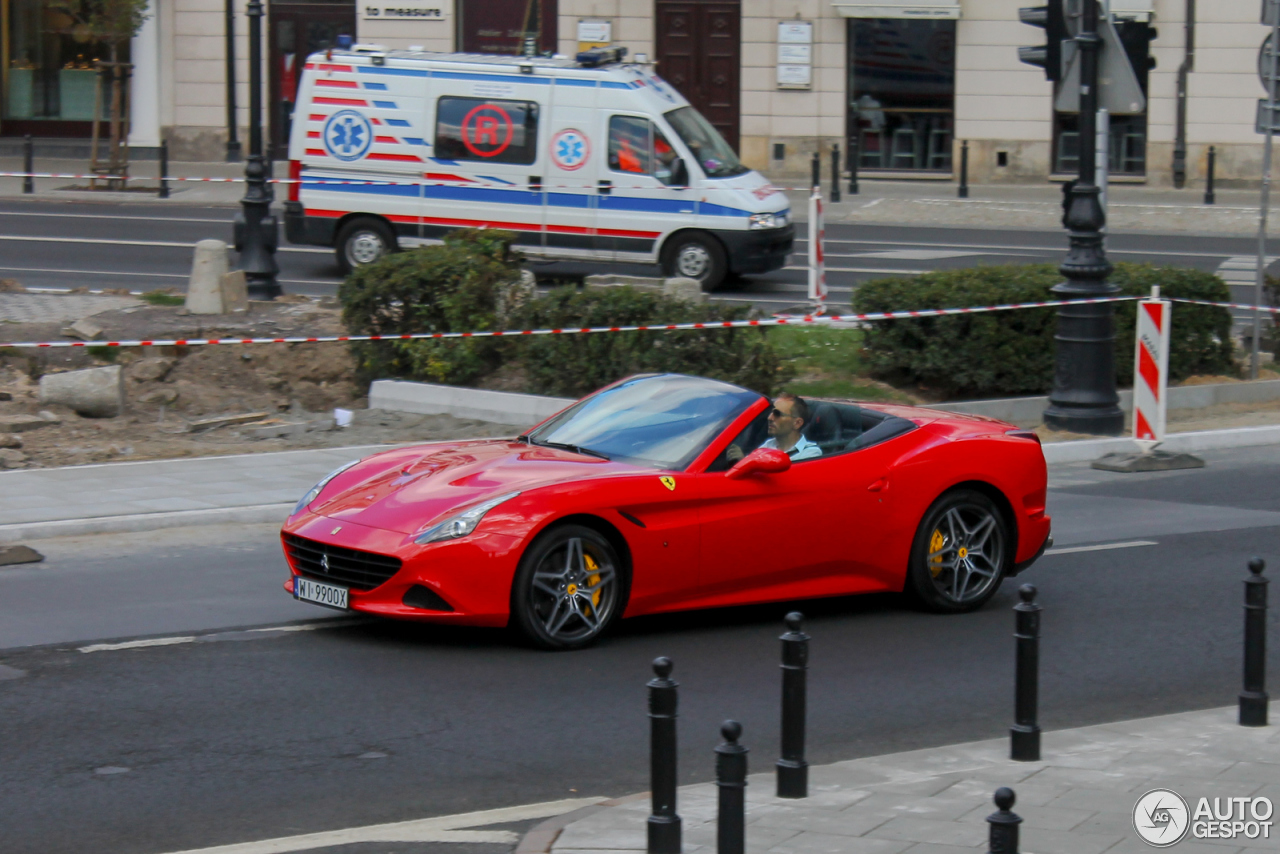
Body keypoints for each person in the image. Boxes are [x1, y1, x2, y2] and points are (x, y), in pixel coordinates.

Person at [726, 393, 821, 463]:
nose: (770, 418)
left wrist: (743, 461)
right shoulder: (767, 446)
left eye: (777, 414)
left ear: (797, 423)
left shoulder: (811, 454)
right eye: (771, 413)